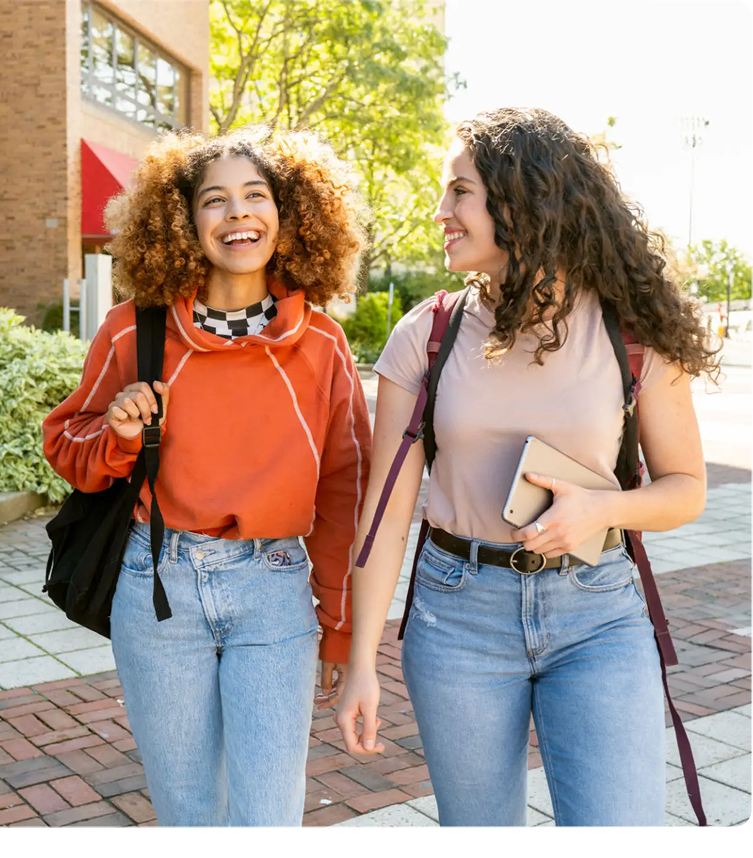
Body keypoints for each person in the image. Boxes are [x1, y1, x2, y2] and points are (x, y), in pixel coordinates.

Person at [335, 107, 720, 827]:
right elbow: (385, 514)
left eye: (460, 191)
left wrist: (603, 508)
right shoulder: (427, 334)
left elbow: (685, 490)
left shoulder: (629, 331)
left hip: (599, 613)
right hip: (457, 617)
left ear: (522, 200)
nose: (441, 209)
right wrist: (362, 659)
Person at [43, 126, 371, 826]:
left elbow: (348, 489)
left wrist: (338, 625)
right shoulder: (134, 329)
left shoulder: (322, 341)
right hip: (157, 584)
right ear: (183, 221)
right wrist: (119, 437)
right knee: (187, 812)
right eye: (214, 200)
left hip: (275, 590)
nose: (238, 214)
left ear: (290, 214)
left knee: (267, 815)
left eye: (257, 195)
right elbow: (66, 443)